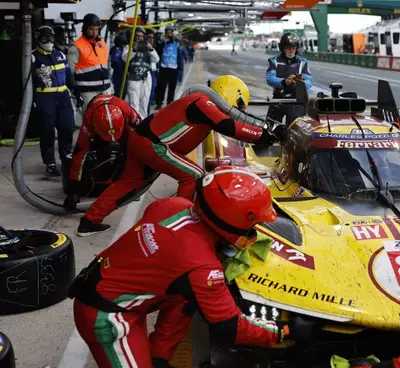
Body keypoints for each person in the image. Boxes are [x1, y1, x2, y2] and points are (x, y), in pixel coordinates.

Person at [18, 166, 315, 368]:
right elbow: (231, 327)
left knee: (186, 294)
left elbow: (161, 241)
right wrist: (284, 331)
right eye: (253, 225)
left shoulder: (175, 206)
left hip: (105, 283)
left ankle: (156, 361)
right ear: (230, 221)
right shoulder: (201, 267)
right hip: (106, 317)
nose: (255, 234)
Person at [65, 75, 287, 236]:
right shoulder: (203, 104)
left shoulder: (199, 101)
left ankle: (89, 221)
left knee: (126, 183)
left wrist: (262, 131)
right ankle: (176, 228)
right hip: (154, 144)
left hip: (141, 139)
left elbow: (232, 122)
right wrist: (264, 135)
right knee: (193, 175)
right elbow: (229, 125)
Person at [64, 94, 141, 233]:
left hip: (124, 131)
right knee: (105, 156)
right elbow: (79, 155)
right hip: (101, 138)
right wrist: (73, 190)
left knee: (132, 150)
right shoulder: (89, 121)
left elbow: (142, 130)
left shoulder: (127, 110)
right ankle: (108, 185)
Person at [31, 25, 78, 177]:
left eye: (51, 38)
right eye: (45, 38)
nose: (49, 41)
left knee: (67, 127)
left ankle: (66, 157)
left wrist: (76, 91)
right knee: (47, 130)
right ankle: (50, 162)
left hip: (63, 96)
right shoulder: (33, 57)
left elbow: (68, 75)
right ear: (38, 39)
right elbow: (27, 81)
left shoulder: (60, 55)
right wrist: (31, 101)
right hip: (45, 97)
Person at [67, 13, 112, 113]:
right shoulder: (75, 47)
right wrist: (75, 91)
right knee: (89, 119)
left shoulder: (102, 44)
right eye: (91, 29)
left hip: (105, 89)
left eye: (96, 29)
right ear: (85, 28)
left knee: (106, 119)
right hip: (87, 92)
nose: (94, 32)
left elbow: (105, 66)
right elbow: (70, 71)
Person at [266, 32, 313, 126]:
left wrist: (300, 83)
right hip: (278, 98)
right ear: (282, 48)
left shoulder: (302, 62)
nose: (291, 51)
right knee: (270, 128)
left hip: (296, 100)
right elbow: (270, 78)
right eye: (288, 48)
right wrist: (284, 81)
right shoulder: (274, 60)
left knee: (295, 129)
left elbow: (309, 81)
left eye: (293, 48)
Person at [123, 27, 160, 118]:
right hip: (134, 78)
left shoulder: (147, 48)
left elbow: (156, 60)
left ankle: (143, 123)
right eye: (137, 36)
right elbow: (125, 59)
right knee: (134, 104)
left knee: (144, 103)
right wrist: (134, 50)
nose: (139, 38)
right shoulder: (128, 47)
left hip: (146, 78)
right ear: (133, 37)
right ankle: (135, 124)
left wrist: (151, 49)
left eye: (141, 36)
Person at [154, 27, 183, 110]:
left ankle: (170, 103)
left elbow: (180, 51)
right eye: (167, 32)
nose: (169, 34)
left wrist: (180, 66)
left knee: (172, 87)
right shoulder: (162, 41)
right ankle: (159, 103)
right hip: (164, 67)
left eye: (170, 32)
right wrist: (163, 42)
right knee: (161, 86)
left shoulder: (176, 41)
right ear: (165, 33)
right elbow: (157, 49)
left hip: (174, 68)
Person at [109, 33, 127, 99]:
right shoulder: (117, 49)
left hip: (120, 74)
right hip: (119, 74)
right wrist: (123, 68)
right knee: (119, 93)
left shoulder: (119, 49)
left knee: (122, 93)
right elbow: (115, 62)